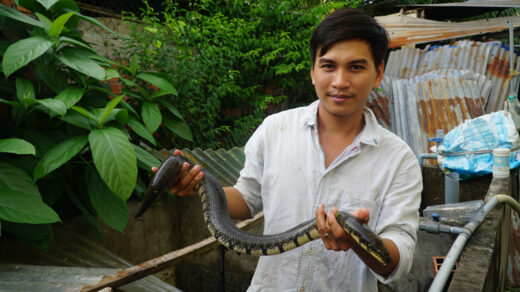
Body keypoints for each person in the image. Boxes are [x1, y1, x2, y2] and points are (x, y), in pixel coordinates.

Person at [158, 7, 422, 292]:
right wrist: (199, 185)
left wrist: (358, 245)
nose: (340, 82)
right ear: (312, 72)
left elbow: (399, 258)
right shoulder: (275, 130)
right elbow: (247, 199)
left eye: (356, 67)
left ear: (378, 73)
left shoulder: (399, 160)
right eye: (328, 66)